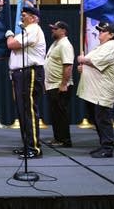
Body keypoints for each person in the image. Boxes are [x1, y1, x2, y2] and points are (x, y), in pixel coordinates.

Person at [5, 6, 46, 159]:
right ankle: (27, 144)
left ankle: (34, 148)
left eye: (25, 15)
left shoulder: (34, 29)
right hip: (21, 74)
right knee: (23, 111)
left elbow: (12, 45)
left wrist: (9, 36)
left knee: (28, 110)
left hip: (30, 73)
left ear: (34, 18)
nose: (22, 18)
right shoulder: (25, 31)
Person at [77, 21, 114, 158]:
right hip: (94, 89)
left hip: (103, 88)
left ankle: (108, 147)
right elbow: (92, 63)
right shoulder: (100, 47)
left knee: (103, 119)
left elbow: (96, 62)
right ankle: (103, 144)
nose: (100, 33)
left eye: (103, 31)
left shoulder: (112, 46)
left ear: (111, 35)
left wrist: (83, 60)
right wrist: (83, 67)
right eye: (100, 30)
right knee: (96, 118)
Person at [44, 20, 74, 148]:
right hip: (52, 85)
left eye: (55, 29)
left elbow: (68, 66)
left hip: (60, 85)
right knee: (55, 114)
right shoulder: (56, 43)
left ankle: (65, 140)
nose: (53, 30)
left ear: (63, 31)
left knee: (61, 114)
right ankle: (58, 138)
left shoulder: (65, 45)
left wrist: (64, 83)